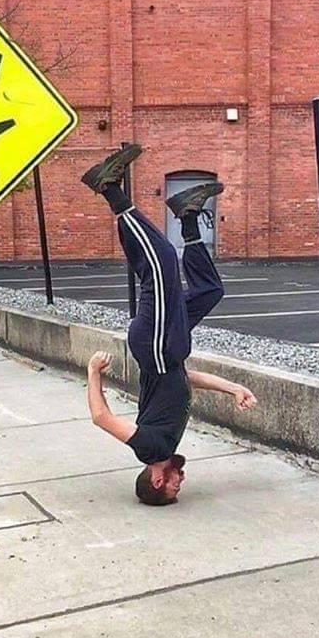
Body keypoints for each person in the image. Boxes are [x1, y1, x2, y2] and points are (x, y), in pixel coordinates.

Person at [82, 145, 257, 506]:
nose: (182, 480)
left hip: (156, 344)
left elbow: (101, 417)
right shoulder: (168, 438)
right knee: (209, 291)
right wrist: (233, 388)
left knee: (161, 262)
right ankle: (187, 214)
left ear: (158, 480)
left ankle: (108, 188)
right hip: (169, 352)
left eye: (175, 486)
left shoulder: (150, 448)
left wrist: (93, 371)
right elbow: (185, 377)